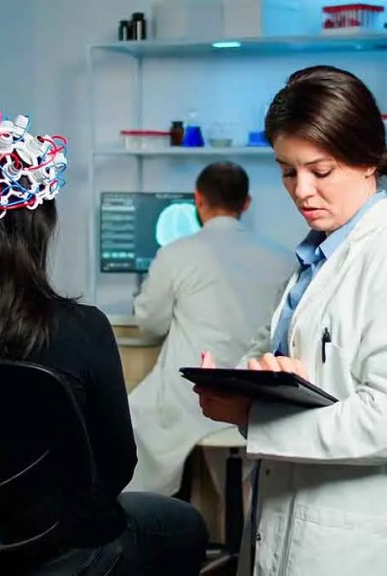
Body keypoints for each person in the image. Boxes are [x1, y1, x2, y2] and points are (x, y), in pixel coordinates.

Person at [0, 111, 208, 575]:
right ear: (39, 226)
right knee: (183, 524)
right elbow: (118, 464)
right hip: (68, 551)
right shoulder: (80, 328)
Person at [193, 67, 387, 576]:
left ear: (367, 158)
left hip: (352, 547)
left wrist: (254, 417)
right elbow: (284, 360)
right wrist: (242, 376)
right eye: (287, 171)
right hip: (281, 523)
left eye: (320, 171)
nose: (301, 191)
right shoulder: (311, 266)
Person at [127, 161, 297, 496]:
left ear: (197, 199)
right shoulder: (284, 258)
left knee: (127, 419)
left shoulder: (176, 254)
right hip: (253, 401)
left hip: (191, 398)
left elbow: (150, 322)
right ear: (245, 203)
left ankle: (152, 528)